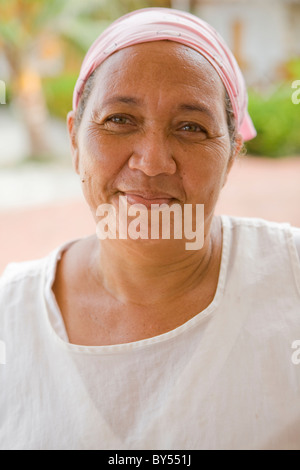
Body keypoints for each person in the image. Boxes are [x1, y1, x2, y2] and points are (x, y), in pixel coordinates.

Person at [0, 7, 300, 451]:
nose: (153, 161)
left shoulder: (290, 279)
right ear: (75, 141)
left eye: (191, 127)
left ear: (232, 156)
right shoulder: (11, 318)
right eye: (120, 119)